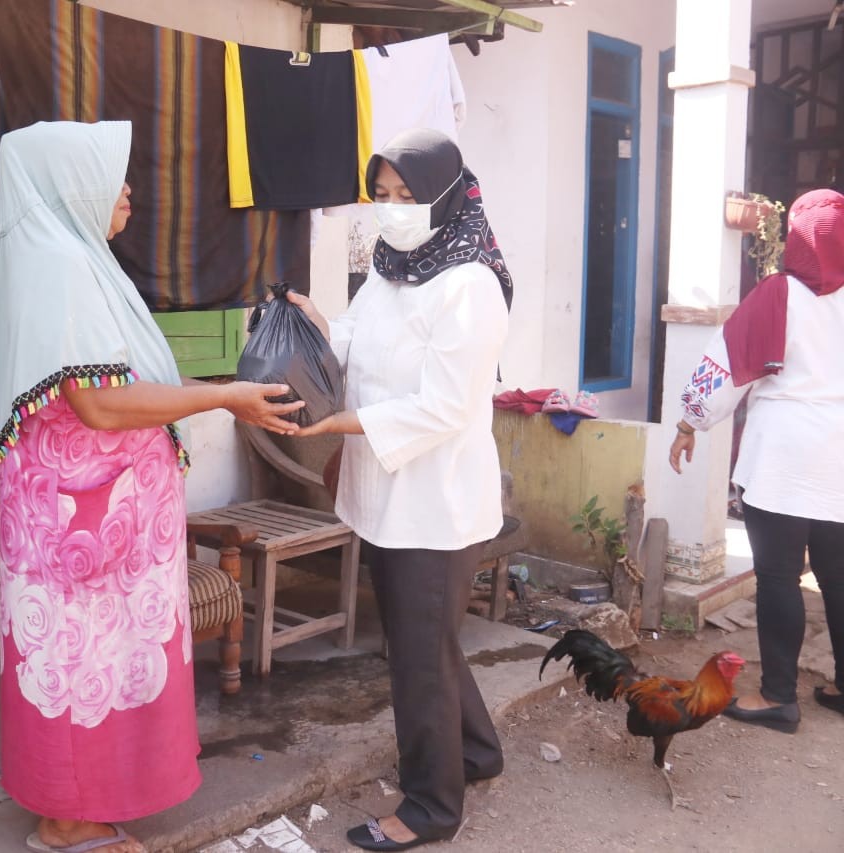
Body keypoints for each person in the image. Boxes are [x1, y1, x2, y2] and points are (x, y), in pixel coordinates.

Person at [0, 120, 302, 853]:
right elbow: (99, 404)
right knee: (71, 667)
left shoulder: (75, 262)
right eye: (110, 172)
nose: (127, 188)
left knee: (85, 668)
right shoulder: (60, 265)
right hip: (77, 533)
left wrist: (223, 392)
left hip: (87, 531)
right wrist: (224, 399)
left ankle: (80, 809)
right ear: (69, 181)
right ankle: (64, 823)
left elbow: (125, 385)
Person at [287, 128, 512, 850]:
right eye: (382, 195)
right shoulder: (390, 269)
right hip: (387, 495)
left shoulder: (470, 284)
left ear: (446, 197)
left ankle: (430, 808)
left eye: (408, 196)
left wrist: (345, 423)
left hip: (436, 504)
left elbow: (445, 406)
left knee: (417, 654)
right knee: (427, 644)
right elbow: (352, 340)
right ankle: (475, 753)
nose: (392, 210)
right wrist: (314, 328)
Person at [670, 188, 844, 734]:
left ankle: (779, 698)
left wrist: (689, 422)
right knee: (838, 578)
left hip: (784, 458)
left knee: (777, 578)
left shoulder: (778, 294)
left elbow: (724, 367)